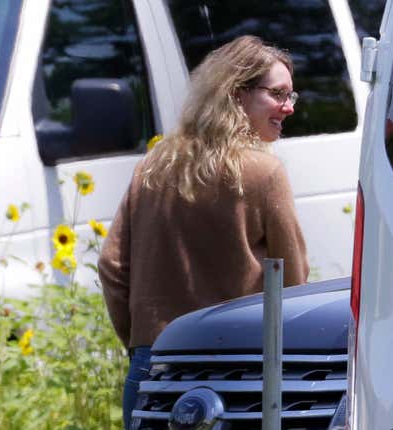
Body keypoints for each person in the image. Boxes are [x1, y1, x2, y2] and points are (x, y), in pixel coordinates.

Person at [97, 35, 309, 429]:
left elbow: (111, 265)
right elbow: (293, 285)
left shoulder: (154, 164)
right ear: (235, 94)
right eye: (278, 94)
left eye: (292, 95)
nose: (289, 107)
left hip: (154, 361)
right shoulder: (264, 173)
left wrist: (141, 342)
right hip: (237, 367)